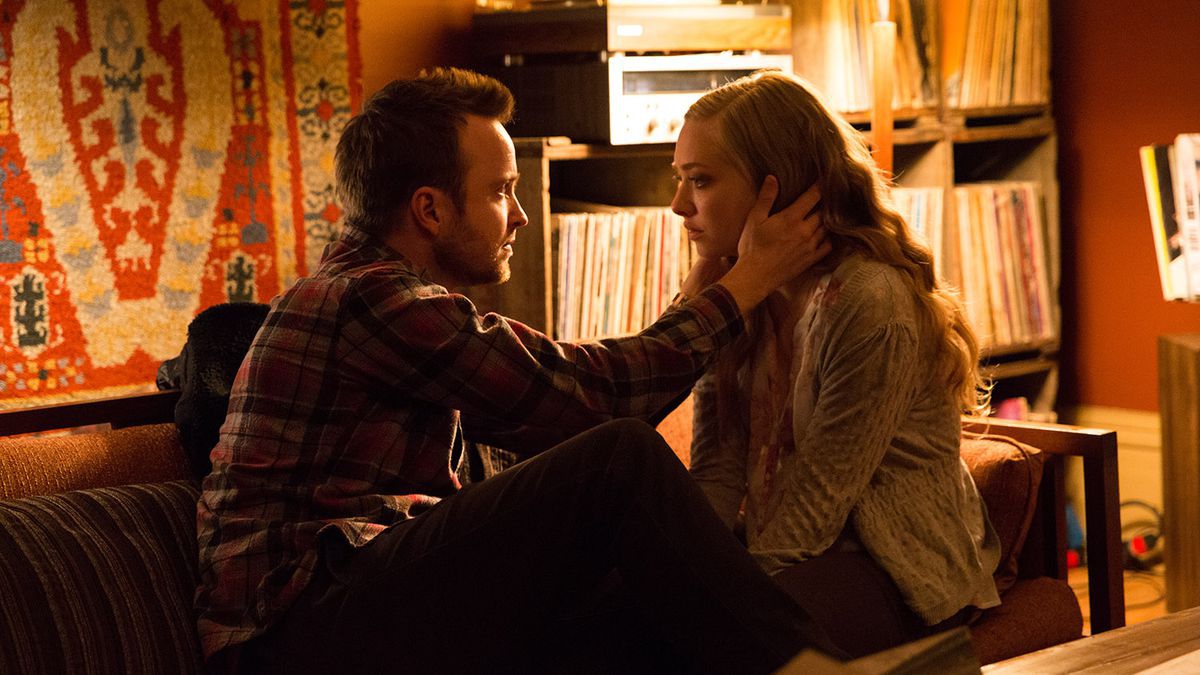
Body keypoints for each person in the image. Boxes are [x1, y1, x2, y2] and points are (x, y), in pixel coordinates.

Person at [194, 67, 838, 675]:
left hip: (348, 609)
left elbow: (549, 429)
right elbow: (592, 401)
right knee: (620, 457)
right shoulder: (371, 300)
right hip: (294, 633)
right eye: (501, 191)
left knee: (638, 606)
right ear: (429, 210)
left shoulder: (387, 302)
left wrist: (704, 293)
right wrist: (746, 282)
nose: (521, 214)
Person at [672, 70, 1003, 658]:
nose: (678, 206)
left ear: (776, 186)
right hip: (791, 552)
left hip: (894, 564)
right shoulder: (737, 293)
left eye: (699, 181)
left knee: (722, 641)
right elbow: (717, 474)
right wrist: (678, 573)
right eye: (679, 179)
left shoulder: (868, 300)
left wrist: (727, 596)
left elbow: (815, 506)